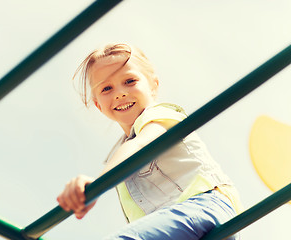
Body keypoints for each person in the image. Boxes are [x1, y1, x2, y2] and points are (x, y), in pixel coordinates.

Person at [57, 43, 242, 239]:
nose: (119, 93)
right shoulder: (121, 155)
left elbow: (141, 144)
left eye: (129, 81)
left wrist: (97, 185)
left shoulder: (160, 114)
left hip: (206, 205)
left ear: (153, 85)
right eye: (107, 88)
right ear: (98, 105)